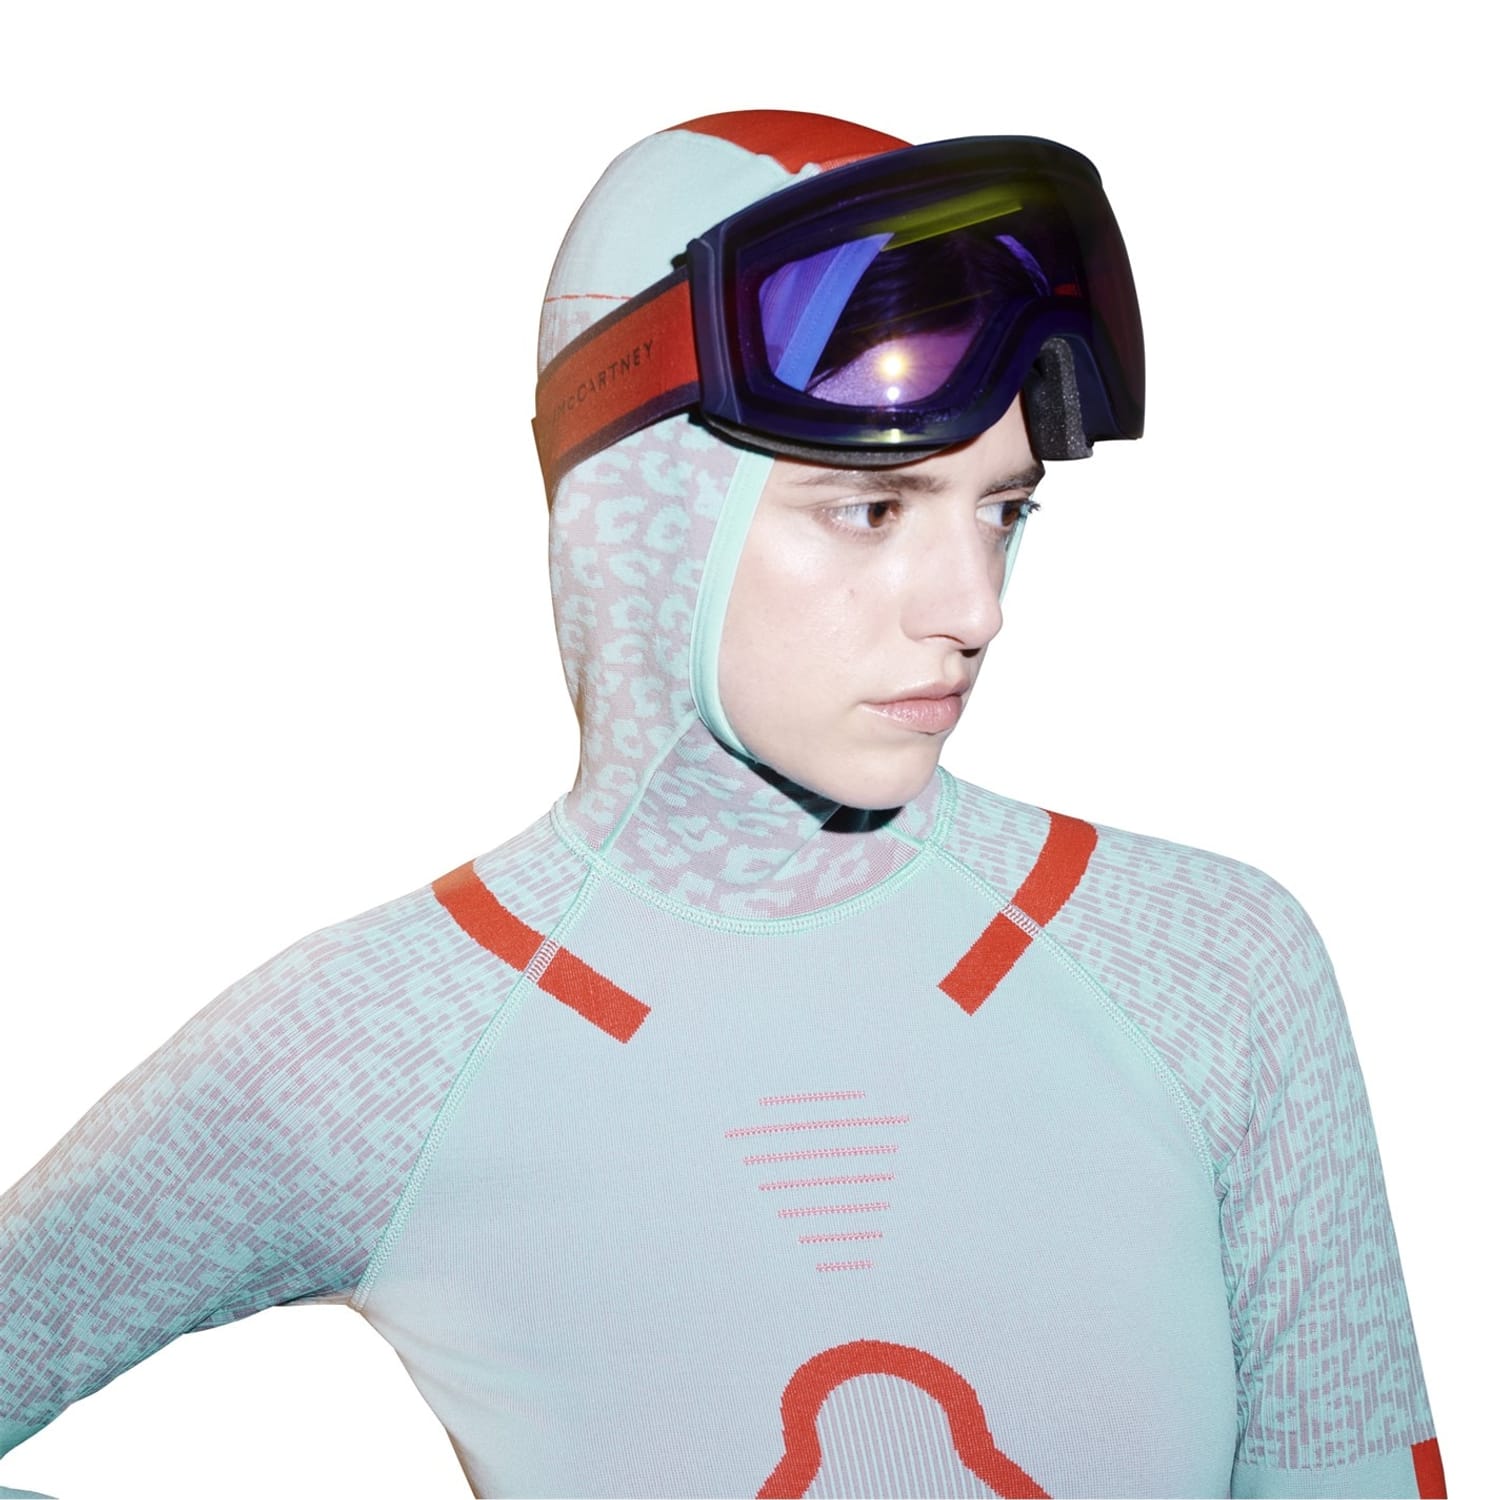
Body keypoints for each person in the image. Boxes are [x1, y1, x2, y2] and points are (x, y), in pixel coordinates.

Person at [0, 110, 1442, 1500]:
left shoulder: (1211, 966)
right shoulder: (377, 1042)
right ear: (646, 516)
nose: (974, 606)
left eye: (1002, 509)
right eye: (870, 508)